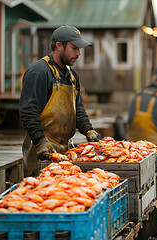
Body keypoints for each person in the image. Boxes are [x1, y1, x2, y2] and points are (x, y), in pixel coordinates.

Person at [19, 25, 100, 176]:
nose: (79, 53)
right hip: (40, 151)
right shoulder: (39, 72)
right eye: (74, 48)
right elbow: (28, 110)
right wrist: (40, 141)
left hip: (65, 151)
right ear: (59, 46)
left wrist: (88, 130)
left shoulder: (72, 75)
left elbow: (78, 109)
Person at [127, 68, 157, 153]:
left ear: (152, 79)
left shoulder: (137, 96)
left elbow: (129, 122)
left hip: (133, 150)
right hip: (154, 150)